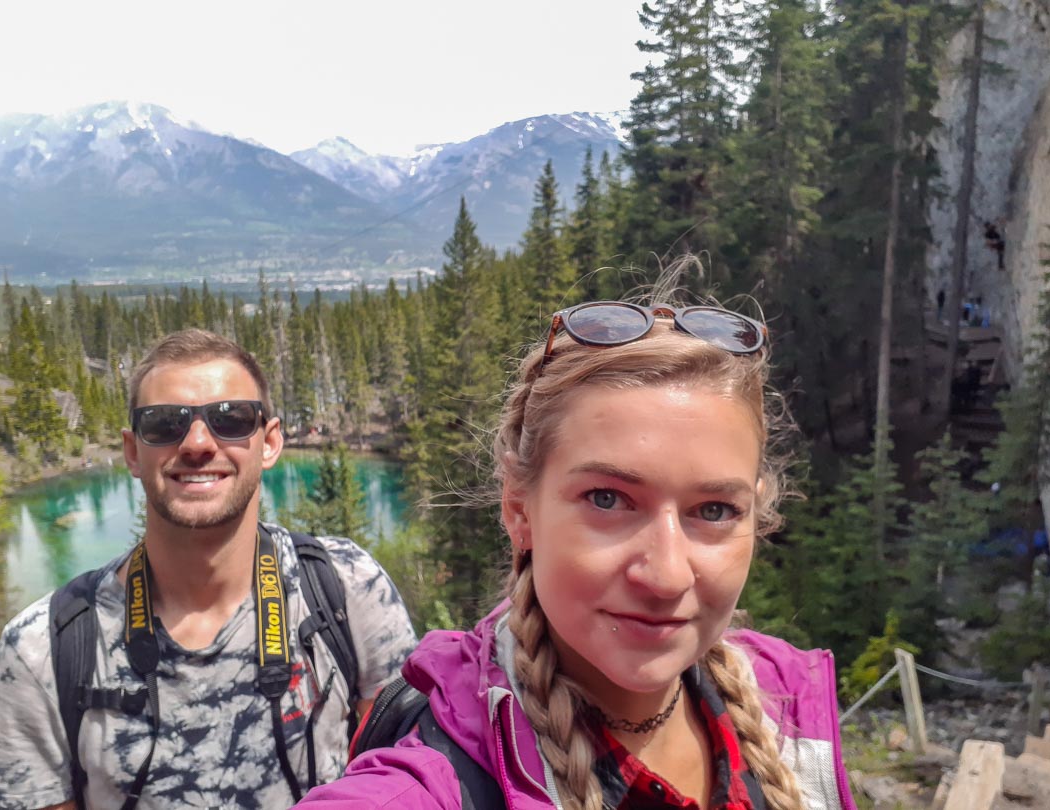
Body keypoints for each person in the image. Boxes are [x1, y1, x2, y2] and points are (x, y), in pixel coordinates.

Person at [300, 287, 855, 809]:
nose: (665, 576)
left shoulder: (784, 703)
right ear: (520, 510)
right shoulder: (439, 778)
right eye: (608, 499)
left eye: (714, 510)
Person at [0, 329, 417, 810]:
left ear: (270, 442)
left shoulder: (348, 589)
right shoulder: (40, 651)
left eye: (231, 419)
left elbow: (401, 780)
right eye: (164, 424)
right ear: (133, 452)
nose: (198, 443)